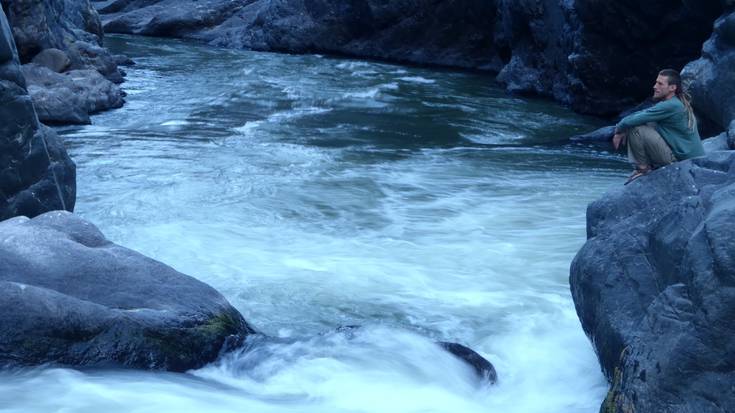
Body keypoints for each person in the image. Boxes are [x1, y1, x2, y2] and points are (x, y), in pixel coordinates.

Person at [612, 69, 705, 184]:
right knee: (644, 122)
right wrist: (623, 126)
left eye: (660, 84)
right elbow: (642, 115)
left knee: (636, 129)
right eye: (656, 82)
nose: (655, 86)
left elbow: (633, 120)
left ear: (672, 88)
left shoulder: (671, 105)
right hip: (688, 158)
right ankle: (648, 165)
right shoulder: (675, 102)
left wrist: (619, 130)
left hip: (682, 161)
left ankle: (643, 168)